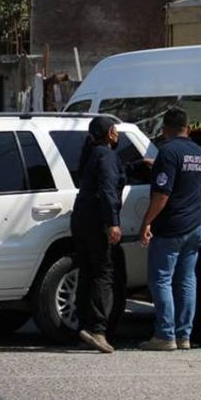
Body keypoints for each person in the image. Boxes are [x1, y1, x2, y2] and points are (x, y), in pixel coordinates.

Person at [139, 107, 201, 351]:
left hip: (171, 226)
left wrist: (146, 222)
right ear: (187, 128)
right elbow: (187, 180)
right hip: (195, 224)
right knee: (187, 280)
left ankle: (165, 335)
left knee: (161, 279)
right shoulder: (198, 152)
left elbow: (162, 195)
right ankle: (183, 335)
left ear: (165, 129)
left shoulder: (167, 152)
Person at [70, 116, 129, 353]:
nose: (117, 134)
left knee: (87, 271)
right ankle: (98, 330)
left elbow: (108, 176)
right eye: (115, 130)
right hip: (97, 222)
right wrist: (113, 223)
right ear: (110, 133)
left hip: (81, 219)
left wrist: (134, 166)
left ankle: (83, 328)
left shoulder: (93, 154)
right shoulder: (107, 156)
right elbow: (107, 189)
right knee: (104, 273)